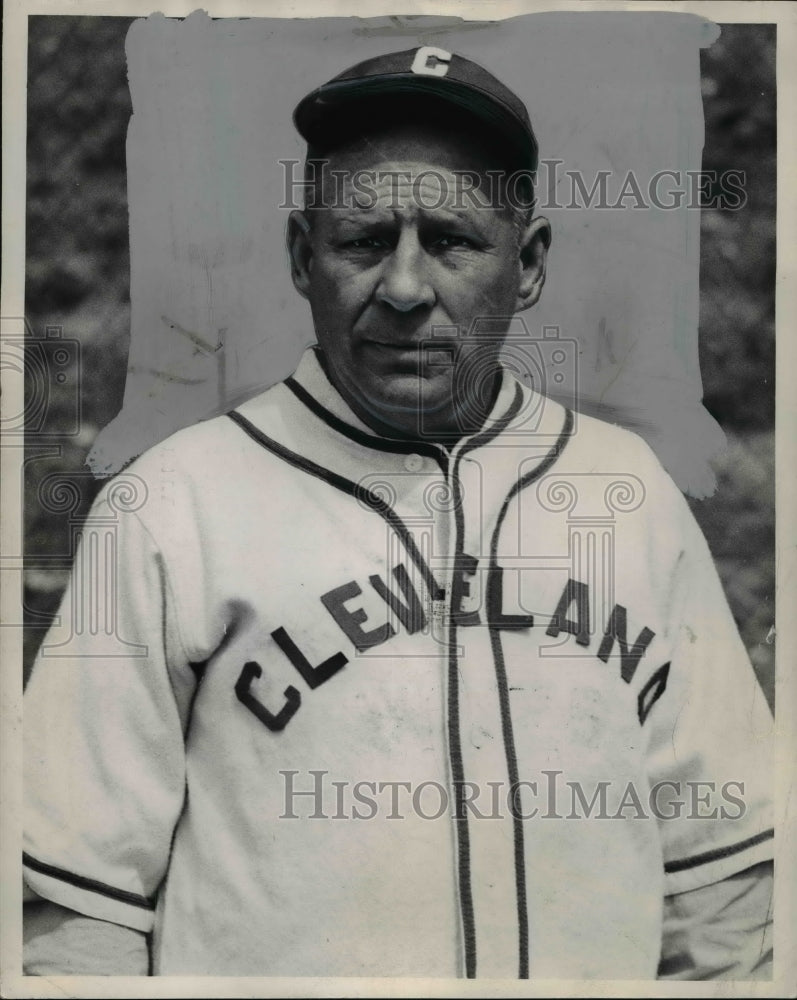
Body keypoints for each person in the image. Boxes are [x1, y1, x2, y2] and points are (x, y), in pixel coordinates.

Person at [23, 47, 773, 980]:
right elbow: (72, 912)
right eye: (364, 241)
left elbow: (727, 889)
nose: (406, 289)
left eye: (452, 241)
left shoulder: (628, 495)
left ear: (528, 263)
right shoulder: (172, 503)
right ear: (304, 256)